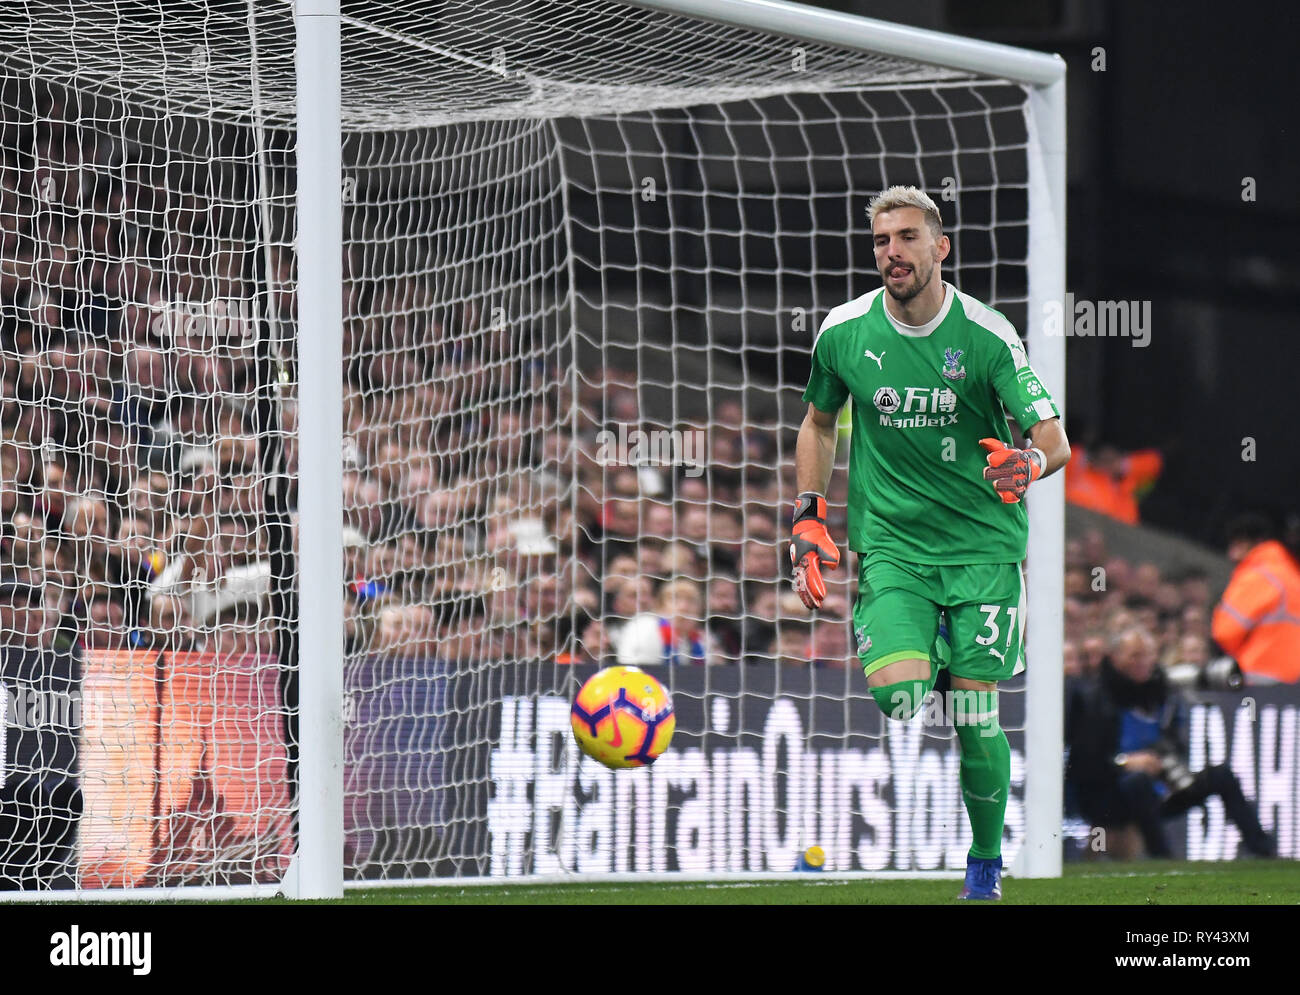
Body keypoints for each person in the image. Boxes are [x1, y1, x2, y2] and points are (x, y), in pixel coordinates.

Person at [791, 185, 1071, 900]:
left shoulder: (985, 334)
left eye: (908, 237)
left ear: (940, 246)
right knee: (898, 695)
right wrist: (808, 514)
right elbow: (819, 423)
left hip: (981, 551)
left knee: (976, 718)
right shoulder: (843, 332)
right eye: (883, 240)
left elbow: (1052, 439)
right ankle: (938, 656)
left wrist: (1028, 463)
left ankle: (983, 868)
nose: (893, 253)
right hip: (893, 547)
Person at [1065, 627, 1274, 859]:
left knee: (1221, 776)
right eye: (1135, 655)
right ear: (1115, 657)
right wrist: (1125, 762)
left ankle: (1264, 852)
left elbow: (1173, 741)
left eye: (1148, 654)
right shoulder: (1093, 698)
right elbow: (1083, 761)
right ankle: (1162, 858)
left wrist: (1165, 762)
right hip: (1109, 793)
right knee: (1138, 782)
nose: (1143, 662)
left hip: (1159, 785)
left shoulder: (1161, 692)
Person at [1211, 513, 1300, 683]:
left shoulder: (1261, 574)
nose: (1231, 552)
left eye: (1237, 543)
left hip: (1254, 681)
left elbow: (1225, 633)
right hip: (1292, 691)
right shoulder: (1293, 577)